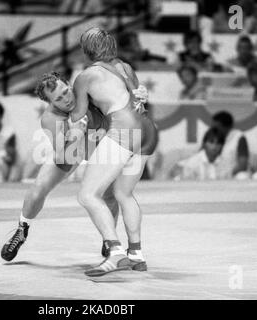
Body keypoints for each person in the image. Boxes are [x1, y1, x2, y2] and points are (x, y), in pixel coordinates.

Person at [1, 71, 140, 261]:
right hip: (71, 150)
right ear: (50, 102)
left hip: (98, 143)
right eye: (59, 98)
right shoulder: (51, 118)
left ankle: (109, 240)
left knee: (109, 192)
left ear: (68, 83)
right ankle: (21, 230)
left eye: (66, 91)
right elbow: (63, 156)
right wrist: (75, 132)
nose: (67, 99)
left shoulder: (87, 91)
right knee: (39, 187)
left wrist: (137, 94)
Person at [69, 27, 158, 277]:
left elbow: (78, 115)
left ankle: (115, 251)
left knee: (87, 195)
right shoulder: (126, 67)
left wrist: (62, 112)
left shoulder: (85, 76)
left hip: (124, 129)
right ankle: (136, 255)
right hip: (148, 129)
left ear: (87, 50)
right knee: (123, 193)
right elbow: (139, 98)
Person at [212, 111, 250, 179]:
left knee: (242, 176)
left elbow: (242, 165)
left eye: (217, 128)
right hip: (218, 175)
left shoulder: (239, 137)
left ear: (226, 126)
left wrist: (226, 175)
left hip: (235, 176)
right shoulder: (215, 138)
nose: (214, 130)